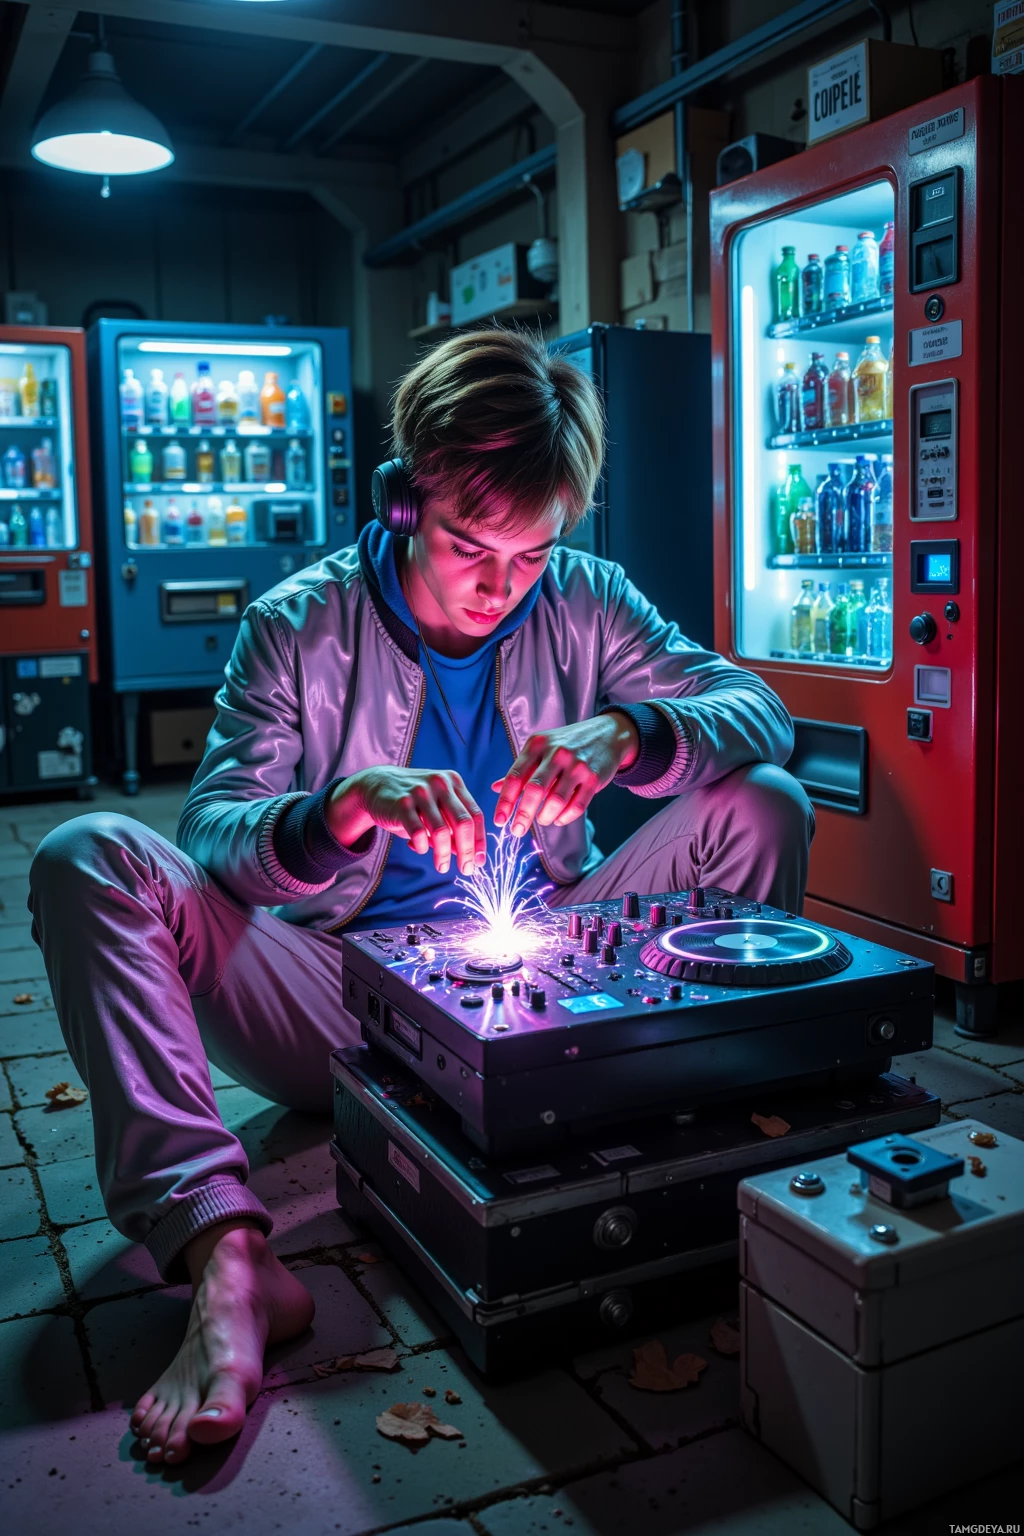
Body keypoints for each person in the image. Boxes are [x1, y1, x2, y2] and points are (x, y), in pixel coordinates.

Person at [28, 328, 812, 1465]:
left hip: (544, 965)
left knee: (765, 801)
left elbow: (756, 710)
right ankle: (226, 1260)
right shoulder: (294, 625)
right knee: (86, 854)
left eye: (531, 556)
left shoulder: (590, 600)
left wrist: (632, 732)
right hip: (337, 1001)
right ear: (403, 504)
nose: (500, 586)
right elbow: (212, 835)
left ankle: (696, 1110)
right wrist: (335, 810)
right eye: (467, 544)